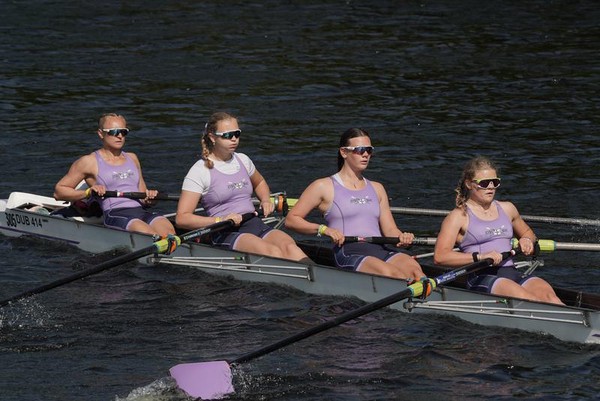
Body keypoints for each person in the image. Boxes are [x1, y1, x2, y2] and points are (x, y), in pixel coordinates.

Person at [285, 128, 425, 281]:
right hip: (349, 252)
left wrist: (402, 237)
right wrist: (324, 230)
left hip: (380, 248)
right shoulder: (323, 186)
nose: (365, 154)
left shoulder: (377, 188)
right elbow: (292, 219)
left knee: (415, 270)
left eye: (369, 150)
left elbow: (390, 230)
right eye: (359, 150)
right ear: (344, 152)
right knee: (392, 274)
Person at [175, 111, 310, 263]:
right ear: (212, 137)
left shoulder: (243, 160)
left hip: (253, 222)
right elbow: (182, 218)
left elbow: (260, 182)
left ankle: (317, 275)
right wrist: (221, 219)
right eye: (227, 135)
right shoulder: (200, 171)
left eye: (237, 133)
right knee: (271, 252)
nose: (234, 139)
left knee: (290, 247)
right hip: (224, 230)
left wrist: (266, 200)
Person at [433, 156, 563, 304]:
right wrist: (480, 257)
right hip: (481, 276)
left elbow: (528, 233)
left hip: (511, 273)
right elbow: (440, 257)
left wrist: (526, 240)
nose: (490, 187)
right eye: (484, 183)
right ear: (469, 184)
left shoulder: (508, 208)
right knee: (528, 299)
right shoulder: (458, 217)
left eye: (495, 182)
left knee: (551, 298)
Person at [54, 113, 175, 238]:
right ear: (100, 134)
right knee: (150, 235)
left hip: (140, 211)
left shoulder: (132, 158)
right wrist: (88, 193)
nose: (119, 136)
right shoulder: (88, 162)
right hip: (116, 214)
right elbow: (59, 192)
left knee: (169, 232)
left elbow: (143, 196)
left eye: (123, 132)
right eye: (113, 132)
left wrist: (150, 199)